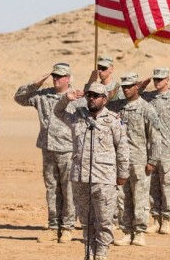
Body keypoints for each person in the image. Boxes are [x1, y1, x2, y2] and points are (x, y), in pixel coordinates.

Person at [54, 82, 129, 260]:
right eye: (89, 95)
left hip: (104, 179)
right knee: (86, 222)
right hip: (80, 178)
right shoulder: (78, 117)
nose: (92, 99)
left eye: (96, 96)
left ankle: (101, 255)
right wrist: (66, 99)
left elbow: (122, 148)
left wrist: (122, 174)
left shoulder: (113, 120)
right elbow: (58, 112)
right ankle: (89, 255)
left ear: (105, 99)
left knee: (104, 222)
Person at [14, 63, 76, 243]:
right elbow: (19, 98)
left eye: (60, 76)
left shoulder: (76, 97)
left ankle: (67, 227)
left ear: (68, 78)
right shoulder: (43, 95)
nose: (56, 79)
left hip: (68, 149)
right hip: (48, 148)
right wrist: (34, 84)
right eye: (54, 76)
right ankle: (53, 227)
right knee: (52, 189)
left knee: (68, 190)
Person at [109, 72, 161, 247]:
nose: (126, 90)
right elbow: (101, 103)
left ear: (137, 87)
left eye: (129, 86)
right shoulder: (117, 107)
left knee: (140, 197)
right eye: (124, 87)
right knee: (122, 197)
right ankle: (126, 232)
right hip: (121, 161)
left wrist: (152, 160)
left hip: (140, 161)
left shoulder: (147, 109)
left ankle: (139, 232)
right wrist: (113, 89)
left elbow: (155, 136)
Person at [141, 68, 170, 235]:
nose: (157, 82)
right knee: (152, 186)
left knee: (167, 185)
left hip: (167, 151)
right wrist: (142, 85)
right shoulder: (147, 98)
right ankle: (155, 219)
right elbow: (131, 96)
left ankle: (167, 220)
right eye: (155, 79)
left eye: (160, 79)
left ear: (167, 80)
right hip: (150, 151)